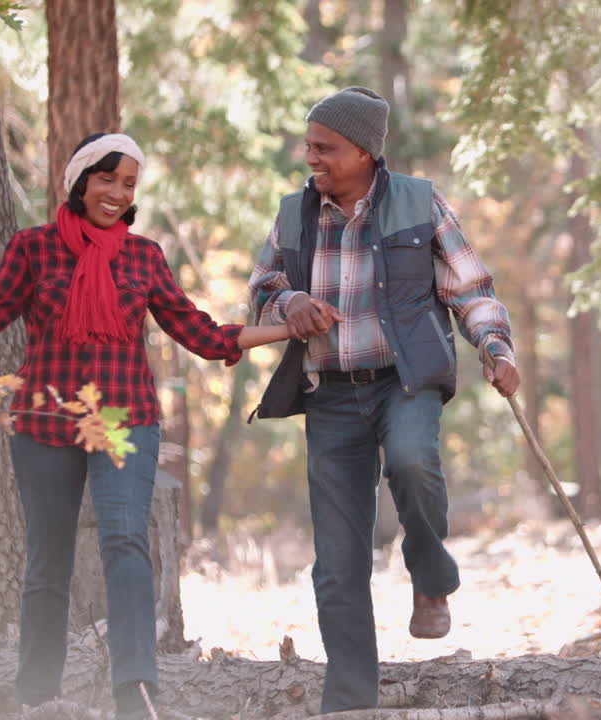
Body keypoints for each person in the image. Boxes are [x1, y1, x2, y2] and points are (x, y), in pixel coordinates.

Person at [0, 133, 292, 720]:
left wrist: (284, 330)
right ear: (80, 180)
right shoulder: (32, 248)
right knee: (46, 560)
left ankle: (135, 692)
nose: (117, 192)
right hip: (44, 420)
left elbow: (201, 333)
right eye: (107, 179)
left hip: (125, 421)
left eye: (128, 183)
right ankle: (36, 696)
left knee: (125, 542)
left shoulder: (144, 256)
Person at [247, 86, 520, 713]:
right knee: (338, 562)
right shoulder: (294, 213)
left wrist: (495, 347)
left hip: (406, 381)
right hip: (331, 394)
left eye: (326, 148)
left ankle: (431, 579)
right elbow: (263, 288)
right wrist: (289, 303)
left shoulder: (420, 203)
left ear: (366, 151)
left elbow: (471, 286)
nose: (311, 158)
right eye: (309, 145)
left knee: (412, 459)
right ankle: (350, 704)